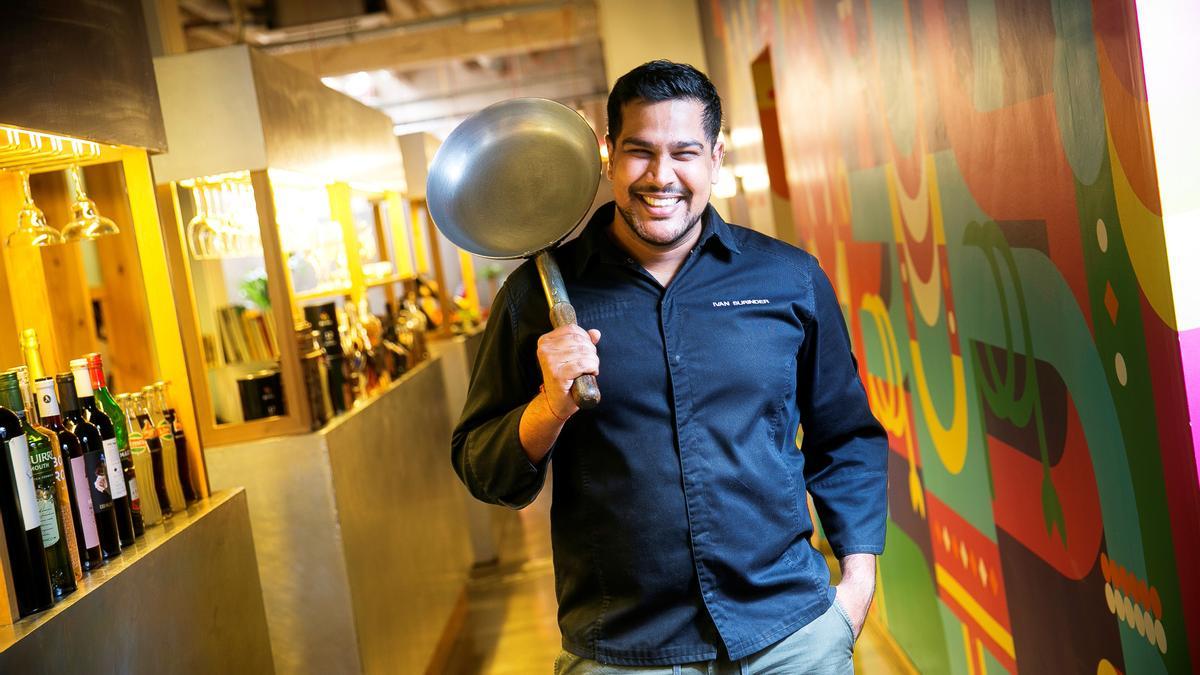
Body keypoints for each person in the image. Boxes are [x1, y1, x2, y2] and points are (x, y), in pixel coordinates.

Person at [452, 60, 887, 674]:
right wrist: (550, 406)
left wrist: (855, 591)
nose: (662, 177)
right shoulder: (536, 300)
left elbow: (846, 436)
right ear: (608, 155)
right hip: (627, 652)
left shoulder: (788, 278)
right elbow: (484, 472)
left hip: (791, 638)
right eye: (639, 152)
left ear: (716, 156)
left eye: (684, 152)